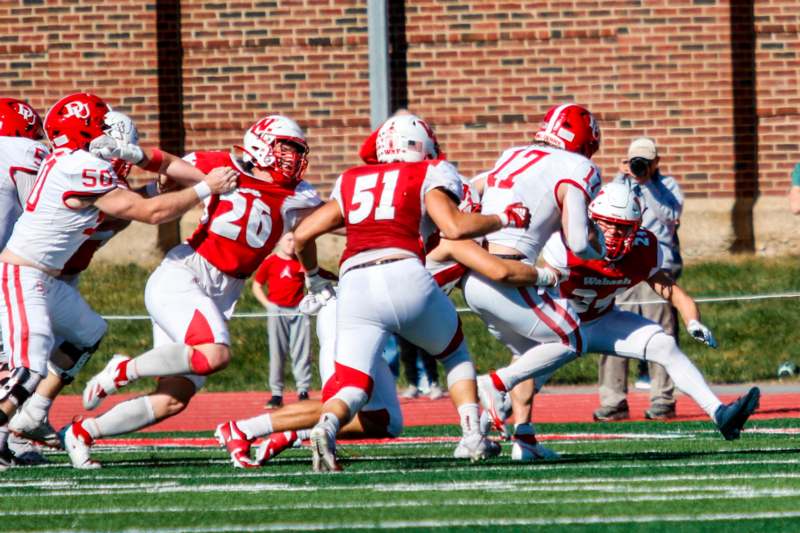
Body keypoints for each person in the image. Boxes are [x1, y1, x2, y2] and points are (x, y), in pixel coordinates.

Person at [216, 172, 553, 468]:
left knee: (382, 421)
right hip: (351, 312)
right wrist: (550, 275)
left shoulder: (434, 229)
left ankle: (293, 433)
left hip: (368, 311)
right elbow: (502, 270)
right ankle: (245, 429)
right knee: (355, 394)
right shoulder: (454, 239)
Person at [60, 114, 320, 469]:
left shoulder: (297, 195)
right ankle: (124, 370)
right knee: (215, 354)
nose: (293, 157)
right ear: (262, 144)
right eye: (286, 148)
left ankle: (83, 432)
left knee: (172, 399)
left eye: (296, 150)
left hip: (220, 292)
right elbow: (167, 163)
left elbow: (330, 220)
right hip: (184, 276)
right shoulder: (221, 167)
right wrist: (127, 152)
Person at [0, 92, 238, 470]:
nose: (109, 134)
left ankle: (32, 415)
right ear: (86, 130)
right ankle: (6, 432)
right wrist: (206, 188)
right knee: (26, 369)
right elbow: (150, 212)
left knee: (88, 331)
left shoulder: (73, 162)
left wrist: (160, 180)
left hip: (48, 279)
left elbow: (140, 184)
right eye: (101, 123)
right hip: (24, 274)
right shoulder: (78, 167)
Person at [292, 113, 532, 471]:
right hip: (403, 269)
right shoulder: (428, 172)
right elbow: (453, 226)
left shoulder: (352, 178)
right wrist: (504, 218)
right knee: (454, 353)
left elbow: (301, 234)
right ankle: (471, 435)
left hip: (354, 282)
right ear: (420, 145)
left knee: (354, 384)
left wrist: (312, 276)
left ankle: (327, 425)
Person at [530, 182, 760, 441]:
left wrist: (693, 320)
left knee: (664, 345)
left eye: (623, 226)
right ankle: (487, 426)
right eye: (607, 223)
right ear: (591, 221)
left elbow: (673, 291)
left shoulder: (643, 249)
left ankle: (720, 414)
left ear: (636, 227)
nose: (615, 233)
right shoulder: (562, 243)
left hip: (603, 321)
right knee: (522, 383)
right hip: (560, 326)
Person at [461, 103, 606, 456]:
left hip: (474, 275)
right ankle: (493, 385)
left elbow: (471, 189)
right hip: (510, 278)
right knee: (572, 339)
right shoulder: (579, 166)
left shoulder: (512, 154)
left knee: (530, 354)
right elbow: (577, 242)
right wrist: (599, 243)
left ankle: (505, 437)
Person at [594, 136, 685, 421]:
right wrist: (625, 181)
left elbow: (670, 216)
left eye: (646, 161)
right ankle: (613, 400)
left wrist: (646, 185)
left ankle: (663, 398)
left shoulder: (667, 187)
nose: (640, 165)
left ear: (657, 162)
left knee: (661, 333)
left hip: (658, 266)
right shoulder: (616, 186)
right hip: (620, 267)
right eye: (635, 160)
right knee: (613, 333)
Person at [252, 232, 312, 409]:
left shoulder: (301, 261)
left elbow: (310, 280)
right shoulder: (270, 261)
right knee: (277, 351)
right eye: (288, 240)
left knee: (302, 350)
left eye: (295, 240)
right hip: (277, 310)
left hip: (298, 311)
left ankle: (303, 390)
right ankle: (276, 393)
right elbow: (257, 286)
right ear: (279, 241)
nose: (292, 244)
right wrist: (268, 305)